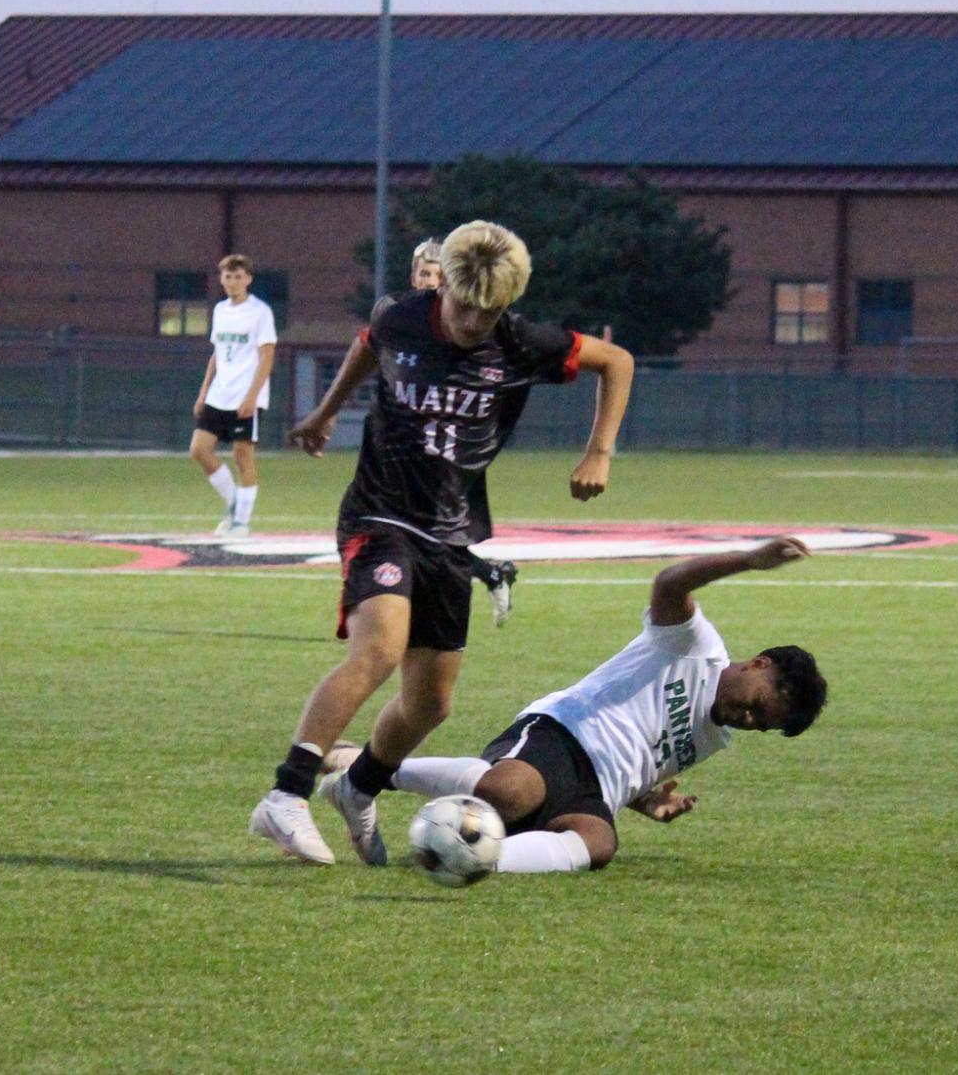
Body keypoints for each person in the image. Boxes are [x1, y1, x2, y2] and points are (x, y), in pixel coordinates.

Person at [250, 220, 637, 865]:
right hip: (379, 515)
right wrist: (324, 412)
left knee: (431, 703)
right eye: (462, 307)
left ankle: (359, 786)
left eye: (487, 314)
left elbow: (616, 361)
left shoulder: (521, 344)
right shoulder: (406, 318)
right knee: (379, 650)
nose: (470, 323)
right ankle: (285, 795)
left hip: (451, 535)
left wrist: (598, 451)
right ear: (444, 288)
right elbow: (369, 345)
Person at [321, 536, 828, 873]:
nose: (749, 720)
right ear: (759, 665)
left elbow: (642, 754)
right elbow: (670, 583)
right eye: (759, 708)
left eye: (760, 726)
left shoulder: (714, 738)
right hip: (563, 734)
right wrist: (748, 560)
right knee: (510, 791)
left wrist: (645, 798)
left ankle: (474, 857)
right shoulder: (694, 647)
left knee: (599, 845)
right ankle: (368, 772)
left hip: (598, 792)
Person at [412, 236, 519, 625]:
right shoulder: (407, 321)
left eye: (436, 274)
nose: (428, 281)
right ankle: (490, 573)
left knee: (430, 538)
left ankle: (486, 576)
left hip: (452, 455)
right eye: (423, 272)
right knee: (422, 537)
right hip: (413, 455)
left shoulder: (472, 329)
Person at [189, 254, 276, 538]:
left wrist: (252, 396)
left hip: (245, 395)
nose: (233, 282)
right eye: (228, 276)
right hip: (219, 394)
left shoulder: (260, 312)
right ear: (221, 279)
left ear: (248, 279)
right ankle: (235, 503)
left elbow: (266, 356)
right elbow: (216, 353)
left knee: (242, 455)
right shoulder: (220, 310)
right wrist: (204, 391)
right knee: (199, 450)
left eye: (239, 276)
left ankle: (241, 522)